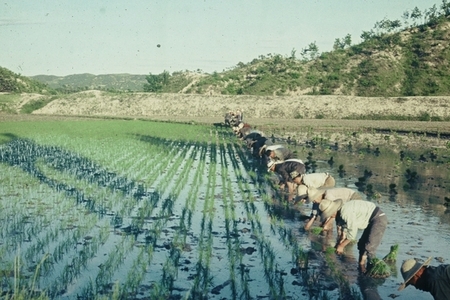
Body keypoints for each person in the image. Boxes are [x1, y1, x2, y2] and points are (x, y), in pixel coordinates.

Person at [318, 199, 387, 272]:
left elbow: (352, 234)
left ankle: (372, 270)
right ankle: (361, 266)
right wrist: (341, 241)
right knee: (362, 244)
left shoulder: (345, 212)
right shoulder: (340, 214)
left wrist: (341, 246)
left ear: (333, 210)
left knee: (370, 247)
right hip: (370, 219)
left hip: (378, 218)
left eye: (329, 214)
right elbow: (345, 228)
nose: (330, 216)